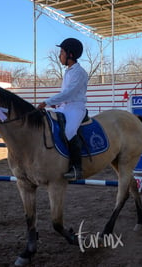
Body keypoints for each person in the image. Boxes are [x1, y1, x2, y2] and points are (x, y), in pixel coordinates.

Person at [37, 38, 88, 180]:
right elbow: (65, 94)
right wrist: (56, 104)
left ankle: (77, 169)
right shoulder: (68, 71)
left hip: (76, 107)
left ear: (70, 54)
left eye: (62, 52)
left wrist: (47, 101)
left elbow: (69, 93)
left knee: (69, 131)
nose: (60, 55)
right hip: (65, 106)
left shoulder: (79, 72)